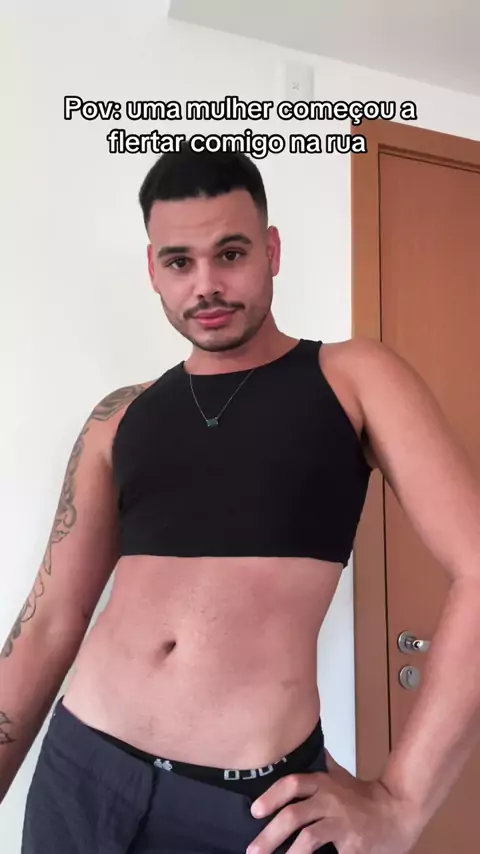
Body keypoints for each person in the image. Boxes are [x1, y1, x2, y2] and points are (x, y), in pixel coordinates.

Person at [1, 142, 480, 854]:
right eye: (179, 262)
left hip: (253, 808)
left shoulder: (351, 378)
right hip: (82, 774)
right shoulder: (119, 417)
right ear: (153, 271)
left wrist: (402, 802)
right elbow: (48, 623)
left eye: (230, 254)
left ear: (272, 250)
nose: (207, 286)